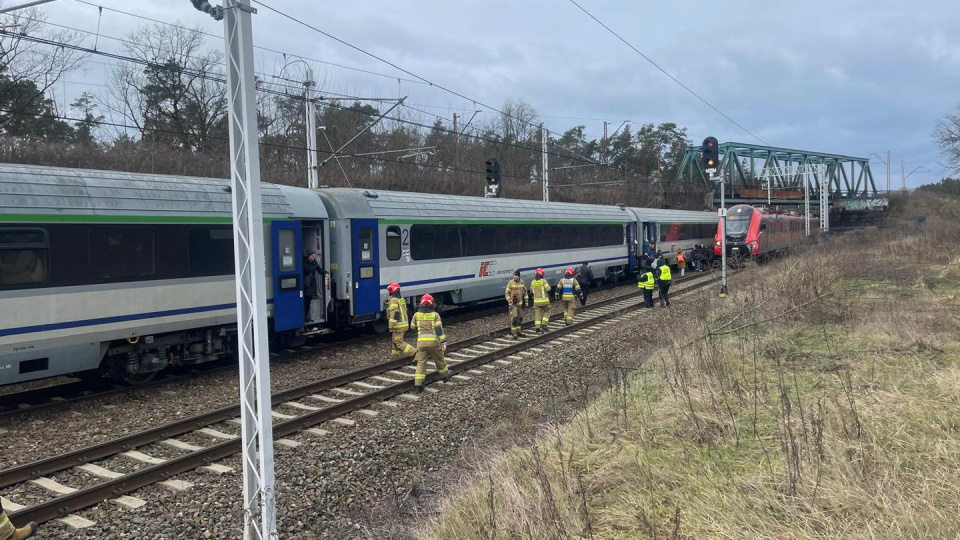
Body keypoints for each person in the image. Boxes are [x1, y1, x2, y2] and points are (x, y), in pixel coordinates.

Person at [410, 294, 450, 393]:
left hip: (421, 344)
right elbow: (439, 330)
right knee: (439, 359)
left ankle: (418, 385)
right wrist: (443, 342)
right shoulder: (435, 315)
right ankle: (445, 376)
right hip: (434, 344)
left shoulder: (416, 315)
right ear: (432, 304)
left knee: (421, 363)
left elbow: (412, 328)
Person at [385, 282, 415, 361]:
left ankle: (415, 353)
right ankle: (395, 358)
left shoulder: (393, 300)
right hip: (403, 324)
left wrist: (391, 325)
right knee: (394, 341)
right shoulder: (401, 299)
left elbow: (395, 313)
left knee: (399, 342)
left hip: (398, 325)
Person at [303, 249, 326, 322]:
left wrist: (325, 272)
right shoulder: (304, 263)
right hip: (305, 283)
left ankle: (306, 316)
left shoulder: (315, 263)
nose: (314, 257)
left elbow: (319, 270)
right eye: (313, 256)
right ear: (309, 256)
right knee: (305, 300)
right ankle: (304, 316)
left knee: (309, 300)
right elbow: (305, 270)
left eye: (315, 256)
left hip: (311, 284)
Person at [504, 270, 528, 339]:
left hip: (519, 304)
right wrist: (509, 300)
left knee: (520, 318)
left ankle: (519, 331)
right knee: (514, 318)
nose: (514, 277)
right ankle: (514, 333)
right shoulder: (510, 283)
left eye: (516, 276)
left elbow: (525, 292)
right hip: (513, 304)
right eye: (513, 275)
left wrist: (526, 301)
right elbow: (507, 292)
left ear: (519, 276)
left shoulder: (522, 282)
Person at [529, 268, 552, 333]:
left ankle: (537, 327)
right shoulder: (543, 281)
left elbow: (531, 291)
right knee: (547, 311)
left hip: (536, 302)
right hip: (544, 301)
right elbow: (548, 289)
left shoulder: (532, 282)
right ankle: (544, 324)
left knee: (537, 314)